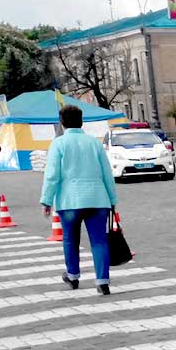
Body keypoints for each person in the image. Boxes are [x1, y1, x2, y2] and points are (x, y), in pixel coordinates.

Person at [40, 105, 118, 295]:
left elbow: (52, 175)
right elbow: (107, 173)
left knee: (70, 239)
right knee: (99, 241)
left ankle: (73, 276)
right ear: (81, 121)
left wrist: (46, 200)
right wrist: (112, 199)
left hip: (70, 201)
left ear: (62, 123)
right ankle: (102, 281)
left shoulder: (58, 144)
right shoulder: (94, 143)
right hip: (98, 199)